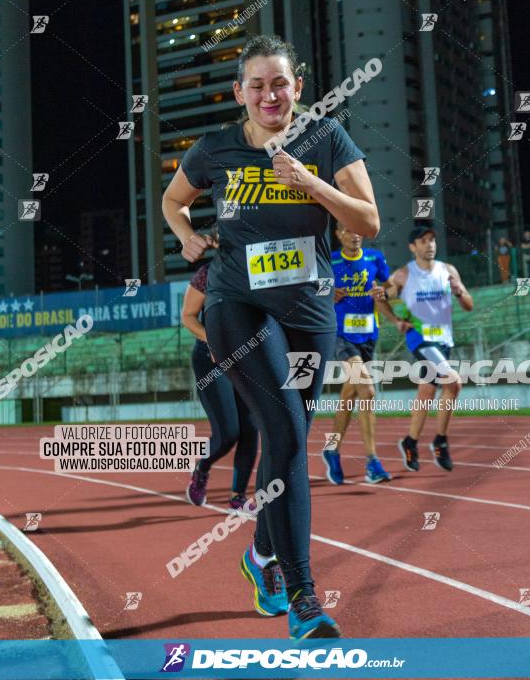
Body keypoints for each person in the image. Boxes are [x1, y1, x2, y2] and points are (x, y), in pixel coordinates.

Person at [162, 34, 380, 639]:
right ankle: (304, 596)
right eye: (256, 85)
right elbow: (173, 199)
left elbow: (368, 219)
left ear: (298, 89)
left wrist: (312, 183)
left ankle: (258, 554)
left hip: (309, 313)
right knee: (283, 430)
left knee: (290, 441)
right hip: (238, 305)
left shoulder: (327, 139)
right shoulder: (216, 149)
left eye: (279, 83)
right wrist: (183, 235)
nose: (269, 94)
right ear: (239, 93)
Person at [376, 226, 473, 473]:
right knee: (454, 383)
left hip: (444, 341)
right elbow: (380, 299)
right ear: (412, 247)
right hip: (420, 340)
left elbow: (469, 305)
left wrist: (459, 291)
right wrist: (396, 320)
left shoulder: (448, 271)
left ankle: (410, 442)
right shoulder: (403, 276)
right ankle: (440, 441)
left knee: (426, 394)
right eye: (423, 241)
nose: (429, 245)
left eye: (432, 240)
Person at [182, 224, 259, 511]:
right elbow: (189, 317)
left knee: (251, 430)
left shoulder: (257, 273)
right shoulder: (207, 275)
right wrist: (214, 341)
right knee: (228, 432)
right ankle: (202, 468)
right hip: (211, 358)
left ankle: (238, 496)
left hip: (248, 358)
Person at [321, 224, 391, 485]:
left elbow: (391, 286)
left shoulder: (375, 258)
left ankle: (332, 449)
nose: (356, 234)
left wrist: (386, 292)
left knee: (348, 396)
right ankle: (372, 461)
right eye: (350, 230)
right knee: (367, 390)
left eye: (359, 230)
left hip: (369, 335)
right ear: (339, 233)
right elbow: (309, 291)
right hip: (340, 335)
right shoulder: (329, 260)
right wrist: (327, 292)